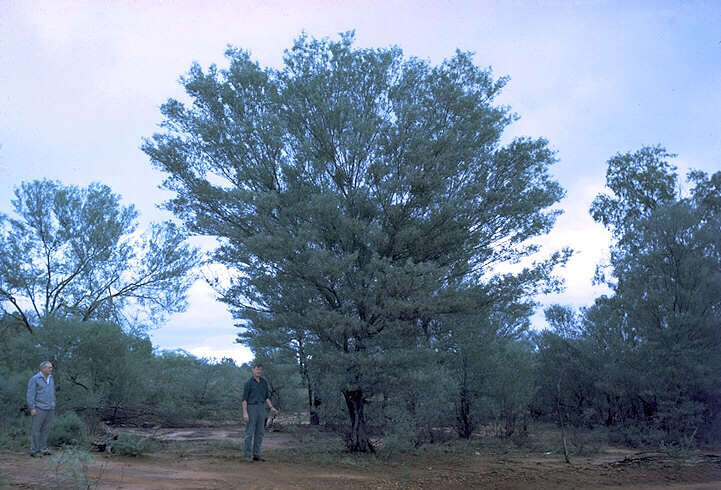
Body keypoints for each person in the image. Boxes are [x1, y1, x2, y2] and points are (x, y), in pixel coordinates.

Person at [242, 362, 278, 462]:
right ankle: (247, 455)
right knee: (249, 432)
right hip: (251, 407)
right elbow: (244, 399)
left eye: (260, 370)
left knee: (260, 432)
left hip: (261, 408)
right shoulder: (248, 383)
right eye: (257, 369)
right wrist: (245, 413)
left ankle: (256, 455)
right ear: (252, 370)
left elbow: (266, 397)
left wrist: (271, 407)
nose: (258, 371)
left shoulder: (263, 382)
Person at [26, 361, 56, 457]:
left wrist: (53, 404)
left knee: (46, 429)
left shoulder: (51, 378)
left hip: (50, 408)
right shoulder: (35, 379)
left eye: (51, 367)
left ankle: (43, 448)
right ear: (43, 369)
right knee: (36, 429)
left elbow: (52, 392)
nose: (51, 369)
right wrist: (32, 408)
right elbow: (30, 395)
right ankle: (34, 450)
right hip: (39, 408)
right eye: (49, 368)